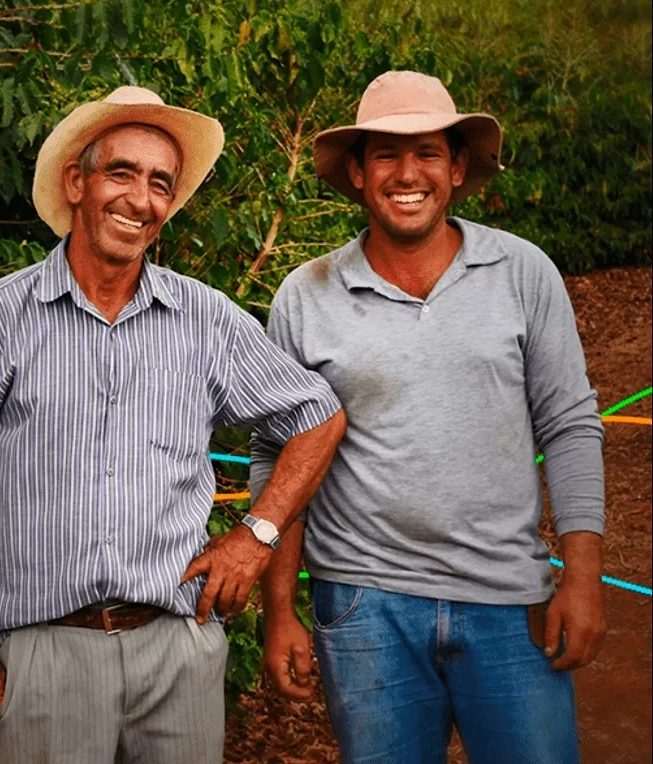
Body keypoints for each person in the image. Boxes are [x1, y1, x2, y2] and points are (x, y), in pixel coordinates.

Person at [0, 86, 347, 763]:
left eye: (160, 185)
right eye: (121, 172)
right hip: (48, 647)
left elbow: (317, 415)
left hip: (177, 647)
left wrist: (255, 536)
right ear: (77, 182)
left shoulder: (205, 319)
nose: (140, 199)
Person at [252, 70, 606, 764]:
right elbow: (279, 454)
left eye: (427, 153)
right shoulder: (306, 295)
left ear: (457, 167)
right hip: (364, 606)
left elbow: (568, 423)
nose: (406, 173)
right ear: (357, 172)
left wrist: (583, 576)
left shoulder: (521, 272)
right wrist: (279, 611)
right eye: (385, 153)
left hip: (507, 601)